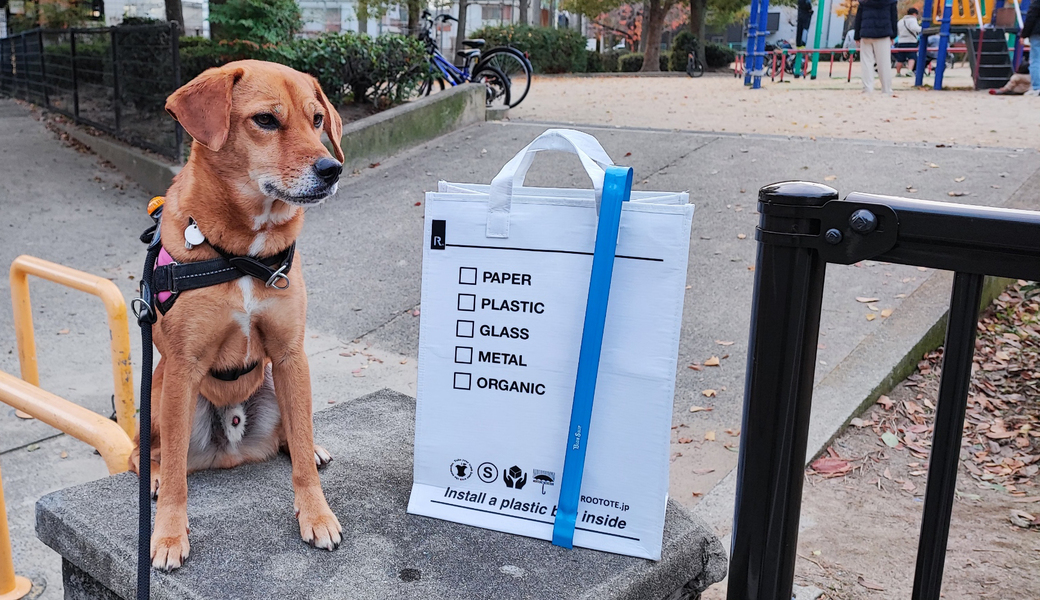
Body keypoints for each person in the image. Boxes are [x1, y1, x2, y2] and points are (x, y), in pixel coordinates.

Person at [854, 0, 899, 94]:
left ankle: (868, 88)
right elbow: (893, 17)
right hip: (884, 33)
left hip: (866, 32)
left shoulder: (864, 2)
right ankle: (886, 89)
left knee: (866, 62)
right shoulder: (891, 2)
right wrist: (893, 35)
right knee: (884, 63)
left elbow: (858, 18)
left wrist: (857, 35)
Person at [894, 7, 921, 76]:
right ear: (914, 14)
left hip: (901, 41)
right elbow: (915, 28)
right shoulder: (912, 20)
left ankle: (898, 72)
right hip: (911, 41)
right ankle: (909, 71)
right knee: (912, 57)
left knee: (900, 58)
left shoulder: (900, 21)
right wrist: (922, 29)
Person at [1021, 0, 1040, 95]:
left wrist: (1024, 34)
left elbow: (1031, 17)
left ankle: (1037, 87)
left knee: (1036, 60)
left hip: (1037, 32)